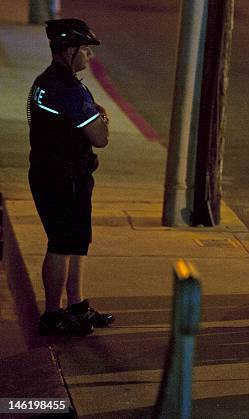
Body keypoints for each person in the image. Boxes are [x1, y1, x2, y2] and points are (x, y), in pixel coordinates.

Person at [28, 19, 114, 336]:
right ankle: (53, 314)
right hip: (62, 177)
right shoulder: (67, 89)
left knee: (76, 242)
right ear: (68, 50)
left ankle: (76, 306)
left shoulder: (49, 81)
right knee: (61, 244)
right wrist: (101, 118)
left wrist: (92, 111)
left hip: (59, 173)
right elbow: (100, 137)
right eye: (85, 48)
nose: (89, 54)